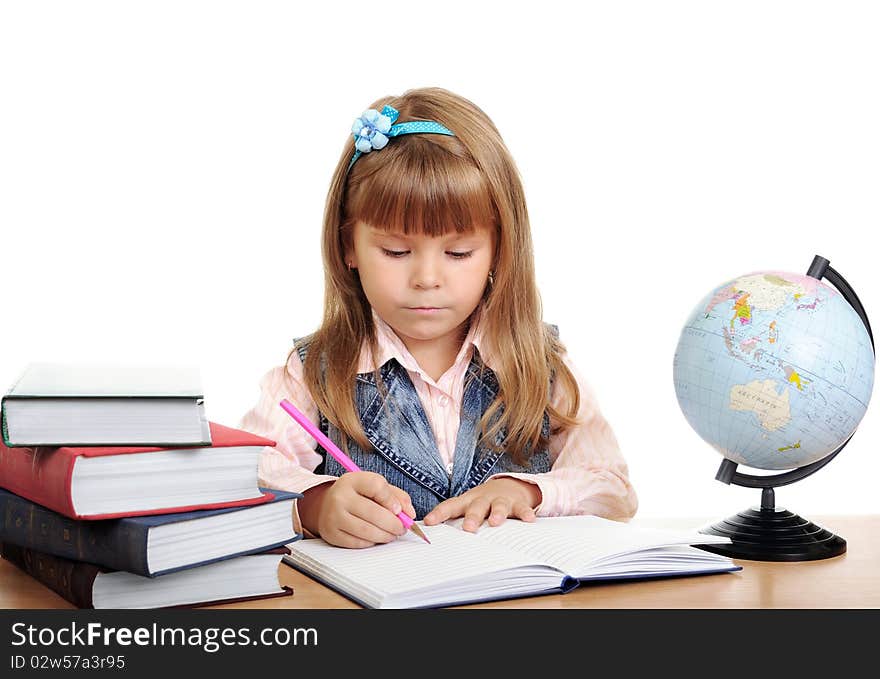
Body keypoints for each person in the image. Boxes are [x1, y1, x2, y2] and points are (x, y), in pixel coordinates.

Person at [240, 87, 637, 548]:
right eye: (396, 250)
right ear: (348, 245)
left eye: (458, 252)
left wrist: (529, 489)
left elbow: (615, 490)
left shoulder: (538, 367)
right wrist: (315, 503)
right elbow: (247, 475)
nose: (427, 278)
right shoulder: (313, 372)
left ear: (497, 251)